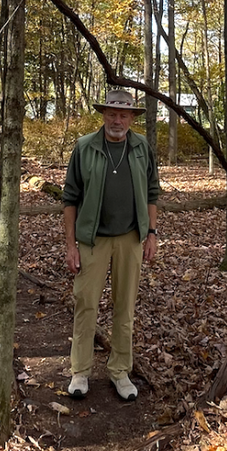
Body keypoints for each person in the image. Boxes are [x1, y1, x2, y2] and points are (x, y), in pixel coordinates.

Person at [62, 89, 160, 401]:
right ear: (103, 115)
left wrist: (152, 233)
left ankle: (120, 371)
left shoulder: (141, 147)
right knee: (86, 303)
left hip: (131, 238)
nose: (117, 120)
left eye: (123, 115)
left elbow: (152, 192)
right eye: (112, 114)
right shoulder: (85, 147)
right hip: (92, 239)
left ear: (132, 118)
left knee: (125, 308)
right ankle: (80, 371)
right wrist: (71, 245)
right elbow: (69, 198)